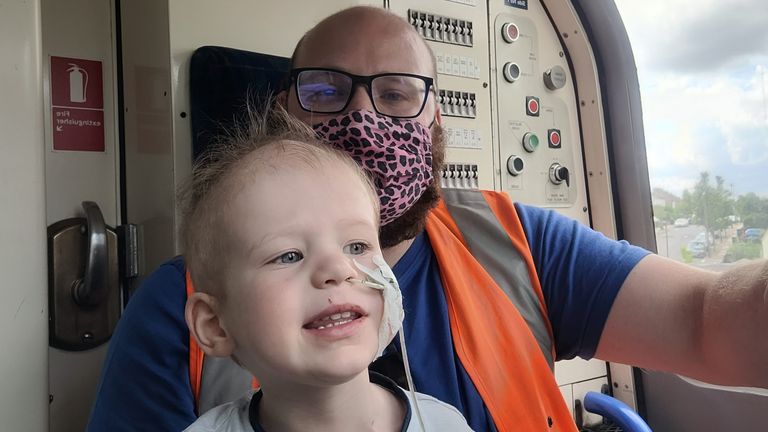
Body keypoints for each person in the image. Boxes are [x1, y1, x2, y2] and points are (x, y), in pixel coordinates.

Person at [88, 6, 768, 432]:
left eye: (396, 93)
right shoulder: (181, 309)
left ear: (435, 119)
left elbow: (706, 320)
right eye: (324, 91)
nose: (363, 118)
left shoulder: (515, 243)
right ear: (284, 116)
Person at [177, 108, 472, 431]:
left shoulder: (445, 423)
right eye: (289, 255)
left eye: (356, 247)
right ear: (215, 325)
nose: (338, 268)